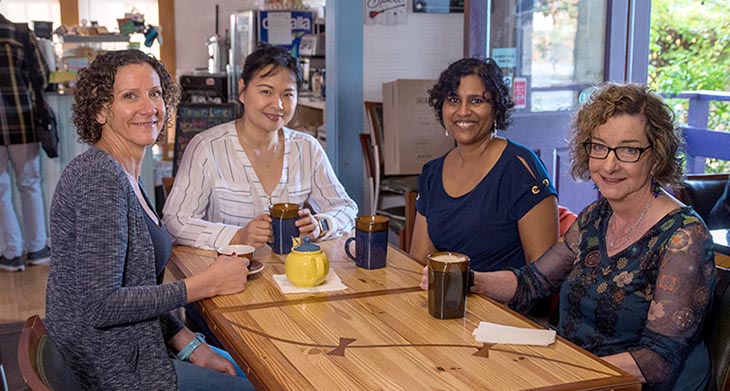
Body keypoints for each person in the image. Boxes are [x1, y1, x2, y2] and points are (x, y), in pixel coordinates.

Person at [437, 83, 715, 390]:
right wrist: (465, 278)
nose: (609, 164)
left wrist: (564, 374)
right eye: (599, 147)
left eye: (628, 150)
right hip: (580, 375)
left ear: (657, 155)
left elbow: (657, 360)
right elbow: (533, 282)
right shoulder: (595, 217)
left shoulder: (684, 236)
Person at [45, 49, 255, 390]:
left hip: (130, 350)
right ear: (100, 110)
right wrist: (205, 284)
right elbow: (102, 305)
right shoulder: (100, 177)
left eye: (155, 93)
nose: (149, 108)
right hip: (111, 368)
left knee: (244, 368)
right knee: (254, 382)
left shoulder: (124, 174)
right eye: (130, 96)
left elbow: (134, 291)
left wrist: (187, 341)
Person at [163, 43, 357, 250]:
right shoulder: (207, 148)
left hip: (293, 275)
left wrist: (321, 224)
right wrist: (238, 235)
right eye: (266, 91)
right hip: (227, 275)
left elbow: (345, 208)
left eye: (288, 94)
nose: (278, 105)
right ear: (242, 90)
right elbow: (175, 221)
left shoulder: (307, 148)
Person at [410, 57, 559, 273]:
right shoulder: (432, 173)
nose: (462, 111)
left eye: (476, 101)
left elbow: (544, 275)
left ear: (496, 108)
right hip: (446, 299)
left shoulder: (520, 168)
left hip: (503, 305)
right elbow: (420, 260)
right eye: (453, 100)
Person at [0, 13, 51, 272]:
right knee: (30, 185)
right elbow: (42, 76)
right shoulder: (19, 34)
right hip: (22, 123)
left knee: (0, 191)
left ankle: (12, 253)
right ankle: (38, 249)